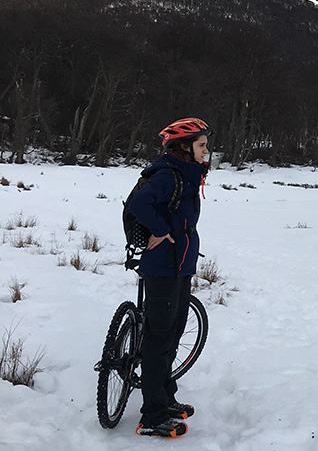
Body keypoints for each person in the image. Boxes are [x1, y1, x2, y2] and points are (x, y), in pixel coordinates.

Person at [127, 117, 212, 438]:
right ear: (184, 148)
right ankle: (152, 415)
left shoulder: (187, 175)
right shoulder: (168, 175)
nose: (207, 151)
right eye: (202, 145)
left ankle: (165, 396)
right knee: (159, 339)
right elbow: (139, 203)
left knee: (173, 333)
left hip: (180, 264)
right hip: (162, 267)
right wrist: (161, 230)